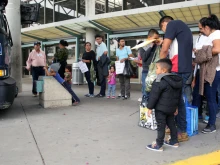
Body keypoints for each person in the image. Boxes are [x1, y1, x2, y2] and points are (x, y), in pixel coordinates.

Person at [159, 16, 193, 142]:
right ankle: (173, 127)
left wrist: (159, 68)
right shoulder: (182, 27)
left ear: (164, 24)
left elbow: (165, 49)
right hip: (184, 68)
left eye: (163, 30)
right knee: (176, 99)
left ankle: (182, 131)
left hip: (178, 68)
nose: (165, 33)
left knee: (178, 101)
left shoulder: (172, 24)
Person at [146, 58, 182, 152]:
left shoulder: (159, 80)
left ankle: (159, 144)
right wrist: (176, 107)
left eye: (157, 68)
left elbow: (154, 95)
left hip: (161, 109)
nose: (156, 70)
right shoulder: (176, 80)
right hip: (171, 108)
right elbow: (178, 96)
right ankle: (174, 141)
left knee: (161, 126)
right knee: (172, 124)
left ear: (163, 70)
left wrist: (149, 107)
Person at [198, 14, 220, 133]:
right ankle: (211, 120)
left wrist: (202, 52)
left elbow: (217, 49)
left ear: (207, 27)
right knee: (211, 98)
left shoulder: (215, 34)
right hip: (214, 70)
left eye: (201, 28)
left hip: (214, 71)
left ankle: (212, 125)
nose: (201, 31)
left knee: (211, 98)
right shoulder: (214, 34)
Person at [134, 29, 159, 103]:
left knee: (155, 90)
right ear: (149, 37)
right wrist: (150, 47)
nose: (156, 40)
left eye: (157, 38)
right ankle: (145, 106)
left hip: (156, 71)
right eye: (154, 38)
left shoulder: (157, 46)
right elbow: (144, 58)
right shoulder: (143, 46)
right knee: (146, 90)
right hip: (146, 71)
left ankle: (153, 107)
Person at [192, 33, 209, 120]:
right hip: (199, 70)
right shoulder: (199, 38)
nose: (200, 31)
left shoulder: (212, 38)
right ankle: (197, 114)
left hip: (209, 71)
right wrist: (194, 78)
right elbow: (196, 64)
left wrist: (199, 52)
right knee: (197, 94)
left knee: (208, 94)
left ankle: (208, 115)